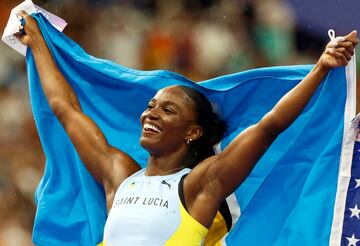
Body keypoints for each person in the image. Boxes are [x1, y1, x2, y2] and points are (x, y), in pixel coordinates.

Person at [17, 10, 358, 246]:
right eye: (150, 106)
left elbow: (270, 126)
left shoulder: (199, 186)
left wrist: (320, 69)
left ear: (192, 132)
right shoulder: (120, 175)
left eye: (167, 110)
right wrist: (37, 44)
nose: (151, 114)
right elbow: (65, 109)